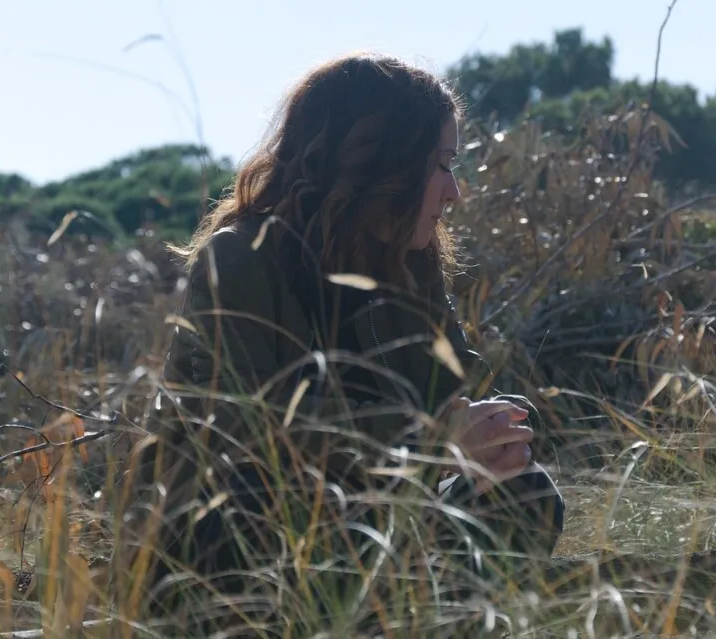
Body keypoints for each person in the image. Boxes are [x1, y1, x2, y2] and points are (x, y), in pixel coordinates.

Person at [113, 52, 564, 633]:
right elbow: (254, 434)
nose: (454, 192)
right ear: (380, 166)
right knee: (258, 501)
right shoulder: (240, 258)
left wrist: (494, 432)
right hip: (225, 547)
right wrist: (436, 440)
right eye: (439, 165)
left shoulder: (411, 260)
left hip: (369, 527)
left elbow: (446, 399)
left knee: (526, 495)